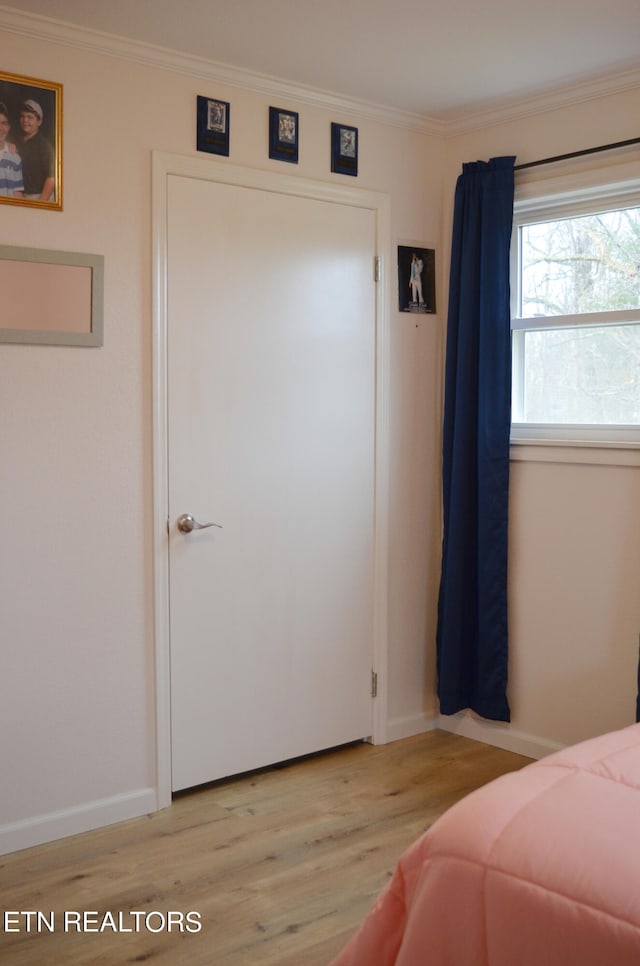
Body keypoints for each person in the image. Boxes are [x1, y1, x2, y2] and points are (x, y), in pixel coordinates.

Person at [17, 99, 55, 201]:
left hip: (40, 197)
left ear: (39, 122)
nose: (25, 120)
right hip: (21, 197)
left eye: (30, 117)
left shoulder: (44, 146)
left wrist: (40, 203)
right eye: (22, 116)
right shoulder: (17, 142)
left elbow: (51, 178)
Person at [0, 101, 23, 197]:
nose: (0, 128)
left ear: (9, 127)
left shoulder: (15, 158)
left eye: (4, 123)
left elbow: (17, 193)